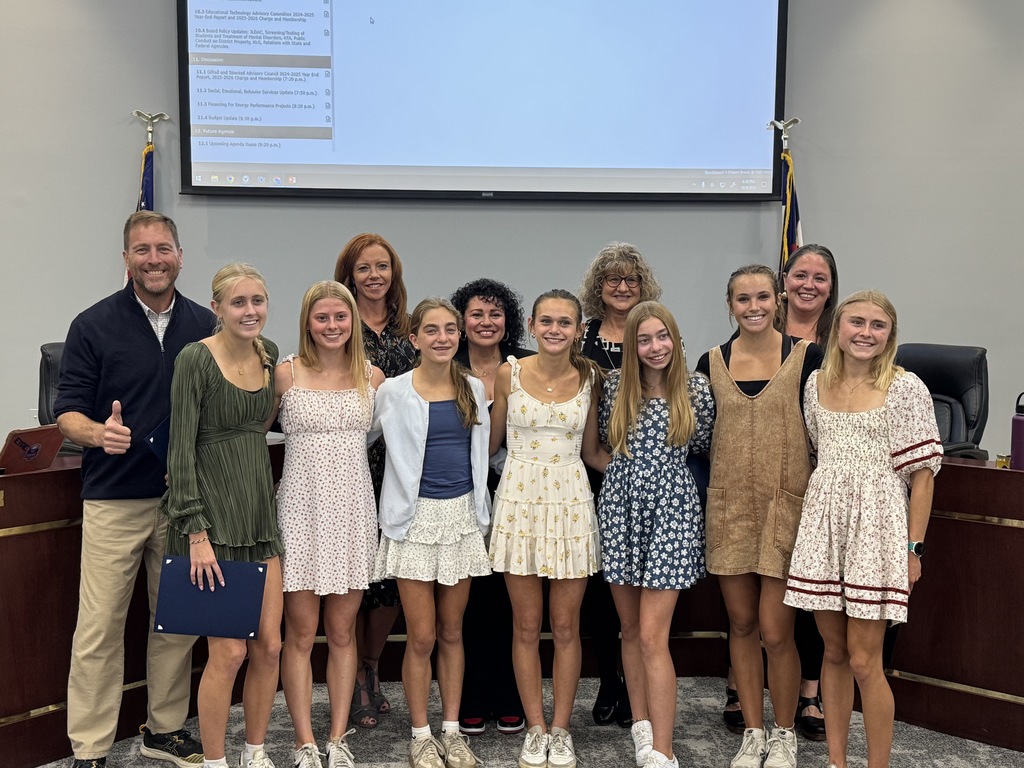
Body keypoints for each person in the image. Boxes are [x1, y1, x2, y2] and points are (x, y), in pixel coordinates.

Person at [55, 211, 213, 768]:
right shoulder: (92, 325)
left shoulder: (205, 324)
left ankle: (164, 730)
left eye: (163, 248)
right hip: (114, 501)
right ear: (126, 258)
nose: (154, 259)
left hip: (181, 504)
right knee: (99, 627)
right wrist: (100, 433)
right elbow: (65, 414)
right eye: (142, 250)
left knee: (176, 622)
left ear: (179, 255)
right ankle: (91, 747)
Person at [784, 291, 941, 768]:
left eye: (878, 325)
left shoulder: (906, 386)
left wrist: (913, 549)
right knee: (831, 652)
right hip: (823, 525)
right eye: (857, 322)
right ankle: (837, 761)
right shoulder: (814, 385)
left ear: (890, 335)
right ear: (838, 327)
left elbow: (922, 477)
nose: (866, 333)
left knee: (863, 660)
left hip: (879, 526)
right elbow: (817, 455)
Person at [695, 264, 823, 768]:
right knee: (742, 625)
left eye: (763, 297)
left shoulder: (806, 357)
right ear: (731, 305)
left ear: (779, 302)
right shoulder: (711, 362)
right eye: (743, 299)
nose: (753, 307)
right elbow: (699, 436)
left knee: (776, 631)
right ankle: (753, 730)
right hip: (729, 510)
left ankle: (785, 731)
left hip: (784, 507)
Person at [161, 263, 283, 768]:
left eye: (257, 300)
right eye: (239, 303)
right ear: (217, 309)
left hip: (258, 512)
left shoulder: (270, 354)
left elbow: (262, 425)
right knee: (229, 653)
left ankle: (254, 751)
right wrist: (195, 532)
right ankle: (215, 761)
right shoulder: (195, 359)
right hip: (208, 521)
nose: (250, 311)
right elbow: (180, 448)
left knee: (270, 647)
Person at [589, 301, 715, 768]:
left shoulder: (696, 390)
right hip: (621, 513)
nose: (654, 347)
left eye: (662, 337)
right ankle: (641, 730)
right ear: (631, 346)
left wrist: (658, 481)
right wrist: (628, 477)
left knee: (651, 636)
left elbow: (703, 449)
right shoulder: (617, 387)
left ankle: (664, 748)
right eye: (644, 339)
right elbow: (600, 448)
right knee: (628, 629)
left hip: (672, 516)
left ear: (675, 339)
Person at [369, 297, 492, 768]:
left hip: (460, 518)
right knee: (420, 637)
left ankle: (452, 730)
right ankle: (421, 734)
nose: (443, 338)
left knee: (452, 631)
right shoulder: (393, 392)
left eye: (451, 329)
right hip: (413, 522)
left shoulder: (472, 388)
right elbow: (361, 438)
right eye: (432, 330)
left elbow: (483, 453)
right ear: (415, 338)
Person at [489, 289, 603, 768]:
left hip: (572, 504)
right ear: (533, 325)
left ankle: (561, 729)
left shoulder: (591, 376)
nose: (556, 330)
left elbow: (593, 451)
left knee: (565, 626)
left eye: (566, 323)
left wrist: (643, 471)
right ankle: (535, 729)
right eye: (547, 321)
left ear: (579, 329)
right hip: (518, 502)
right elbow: (490, 445)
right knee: (527, 625)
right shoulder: (507, 373)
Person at [275, 282, 385, 768]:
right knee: (300, 634)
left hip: (352, 513)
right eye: (322, 318)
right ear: (307, 323)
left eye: (341, 317)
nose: (333, 325)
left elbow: (387, 438)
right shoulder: (285, 374)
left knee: (343, 633)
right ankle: (304, 741)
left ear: (353, 321)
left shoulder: (374, 377)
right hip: (299, 511)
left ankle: (338, 738)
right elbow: (249, 435)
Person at [577, 242, 663, 727]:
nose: (622, 287)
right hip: (590, 475)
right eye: (613, 280)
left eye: (631, 279)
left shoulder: (656, 334)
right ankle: (609, 681)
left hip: (645, 482)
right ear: (598, 288)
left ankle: (637, 689)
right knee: (600, 589)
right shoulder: (581, 336)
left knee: (640, 586)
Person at [334, 233, 417, 726]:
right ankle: (357, 671)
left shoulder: (411, 331)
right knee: (354, 576)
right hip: (348, 466)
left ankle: (369, 666)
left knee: (388, 577)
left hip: (400, 468)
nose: (373, 276)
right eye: (363, 268)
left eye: (382, 266)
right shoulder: (336, 325)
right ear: (349, 275)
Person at [450, 278, 532, 736]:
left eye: (495, 313)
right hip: (458, 491)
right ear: (462, 321)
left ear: (508, 322)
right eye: (477, 314)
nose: (486, 322)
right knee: (469, 601)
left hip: (512, 489)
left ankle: (508, 693)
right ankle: (473, 696)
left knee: (508, 600)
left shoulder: (524, 367)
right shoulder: (445, 365)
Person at [778, 244, 840, 742]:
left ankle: (810, 692)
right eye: (801, 274)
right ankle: (740, 685)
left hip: (822, 484)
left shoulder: (846, 339)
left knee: (813, 592)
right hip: (768, 481)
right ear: (785, 279)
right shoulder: (754, 330)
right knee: (764, 590)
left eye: (820, 278)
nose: (809, 284)